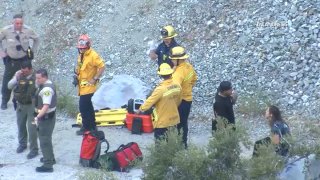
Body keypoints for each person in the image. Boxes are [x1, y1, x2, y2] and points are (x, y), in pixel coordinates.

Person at [0, 14, 39, 110]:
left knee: (26, 80)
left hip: (24, 59)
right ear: (13, 22)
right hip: (11, 60)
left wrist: (33, 51)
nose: (19, 25)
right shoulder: (6, 30)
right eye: (17, 23)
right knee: (7, 81)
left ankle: (23, 100)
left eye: (21, 23)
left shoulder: (28, 30)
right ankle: (5, 100)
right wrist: (1, 52)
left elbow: (37, 39)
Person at [137, 63, 182, 141]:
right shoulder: (177, 85)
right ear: (171, 73)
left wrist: (140, 109)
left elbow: (149, 102)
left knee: (160, 145)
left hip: (162, 122)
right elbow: (179, 100)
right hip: (174, 119)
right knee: (172, 142)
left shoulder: (160, 89)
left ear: (160, 75)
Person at [74, 34, 105, 135]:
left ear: (87, 46)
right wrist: (76, 76)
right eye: (80, 48)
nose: (81, 50)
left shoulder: (93, 55)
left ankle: (87, 127)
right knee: (88, 107)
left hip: (89, 87)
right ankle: (92, 126)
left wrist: (95, 78)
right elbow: (80, 68)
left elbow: (102, 67)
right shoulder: (81, 55)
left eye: (83, 48)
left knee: (83, 106)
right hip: (82, 87)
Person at [7, 61, 38, 158]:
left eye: (25, 71)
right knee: (21, 125)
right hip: (20, 105)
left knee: (32, 128)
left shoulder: (37, 76)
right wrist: (16, 78)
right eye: (22, 70)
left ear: (30, 69)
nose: (23, 72)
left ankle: (34, 149)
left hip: (32, 106)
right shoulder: (18, 75)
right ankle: (22, 144)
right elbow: (9, 86)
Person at [169, 46, 197, 148]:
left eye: (172, 58)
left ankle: (177, 145)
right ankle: (184, 144)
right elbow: (194, 79)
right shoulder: (189, 67)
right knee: (183, 123)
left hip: (180, 102)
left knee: (176, 124)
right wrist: (187, 88)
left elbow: (174, 88)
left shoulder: (178, 73)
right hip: (188, 100)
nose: (171, 60)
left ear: (177, 59)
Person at [34, 69, 56, 172]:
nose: (37, 80)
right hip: (49, 117)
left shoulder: (46, 90)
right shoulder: (48, 83)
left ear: (44, 77)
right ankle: (50, 158)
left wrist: (37, 117)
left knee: (44, 141)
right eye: (36, 77)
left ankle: (48, 165)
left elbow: (46, 106)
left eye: (39, 78)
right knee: (47, 139)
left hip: (45, 118)